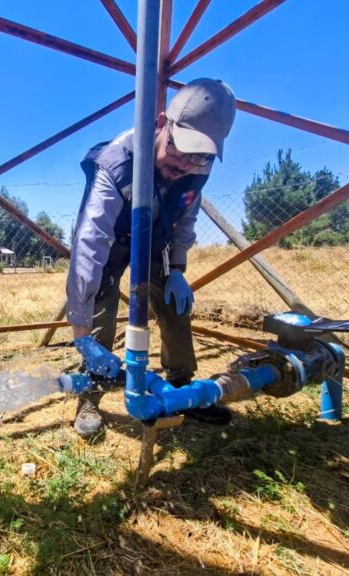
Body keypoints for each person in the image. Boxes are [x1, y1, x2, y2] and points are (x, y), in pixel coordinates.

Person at [66, 78, 236, 439]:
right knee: (99, 311)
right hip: (113, 240)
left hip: (156, 239)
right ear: (161, 124)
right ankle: (90, 394)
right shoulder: (115, 162)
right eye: (181, 150)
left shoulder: (198, 167)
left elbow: (186, 219)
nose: (187, 163)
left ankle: (182, 387)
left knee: (175, 307)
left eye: (200, 155)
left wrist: (176, 269)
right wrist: (80, 331)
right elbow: (90, 241)